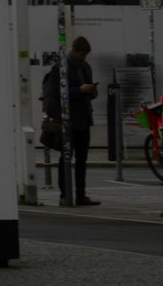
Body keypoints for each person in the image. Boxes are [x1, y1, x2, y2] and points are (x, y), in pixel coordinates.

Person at [45, 35, 100, 207]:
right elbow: (57, 95)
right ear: (74, 51)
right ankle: (64, 194)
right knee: (66, 157)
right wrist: (79, 90)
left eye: (86, 55)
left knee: (82, 158)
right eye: (82, 54)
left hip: (84, 118)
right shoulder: (60, 68)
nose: (84, 58)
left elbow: (91, 93)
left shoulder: (85, 67)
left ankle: (81, 194)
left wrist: (92, 91)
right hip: (67, 120)